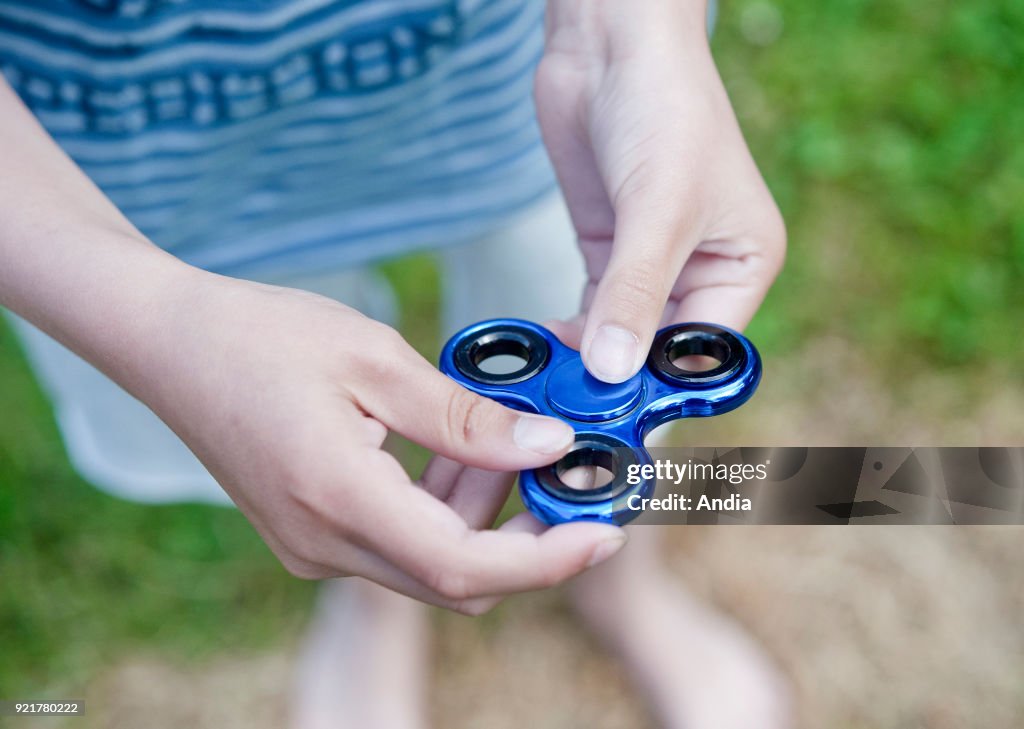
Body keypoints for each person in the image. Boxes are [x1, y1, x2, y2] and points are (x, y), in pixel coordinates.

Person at [0, 1, 789, 727]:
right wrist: (154, 316)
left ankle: (617, 572)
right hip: (124, 174)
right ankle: (375, 585)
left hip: (513, 85)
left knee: (597, 319)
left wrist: (629, 29)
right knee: (282, 424)